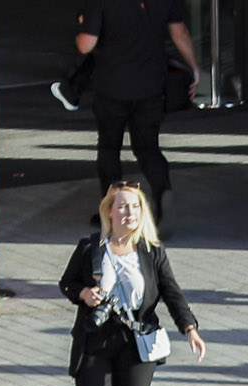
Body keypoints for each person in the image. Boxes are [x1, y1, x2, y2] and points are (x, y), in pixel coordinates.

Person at [59, 181, 205, 386]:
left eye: (136, 207)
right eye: (123, 206)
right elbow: (67, 282)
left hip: (137, 344)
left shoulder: (151, 251)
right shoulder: (90, 248)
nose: (130, 212)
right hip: (96, 341)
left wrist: (190, 328)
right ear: (109, 211)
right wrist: (83, 294)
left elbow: (171, 292)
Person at [76, 0, 199, 223]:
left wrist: (82, 27)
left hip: (112, 86)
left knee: (109, 147)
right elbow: (179, 33)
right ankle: (163, 193)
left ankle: (112, 213)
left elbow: (86, 45)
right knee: (148, 147)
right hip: (151, 86)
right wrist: (195, 68)